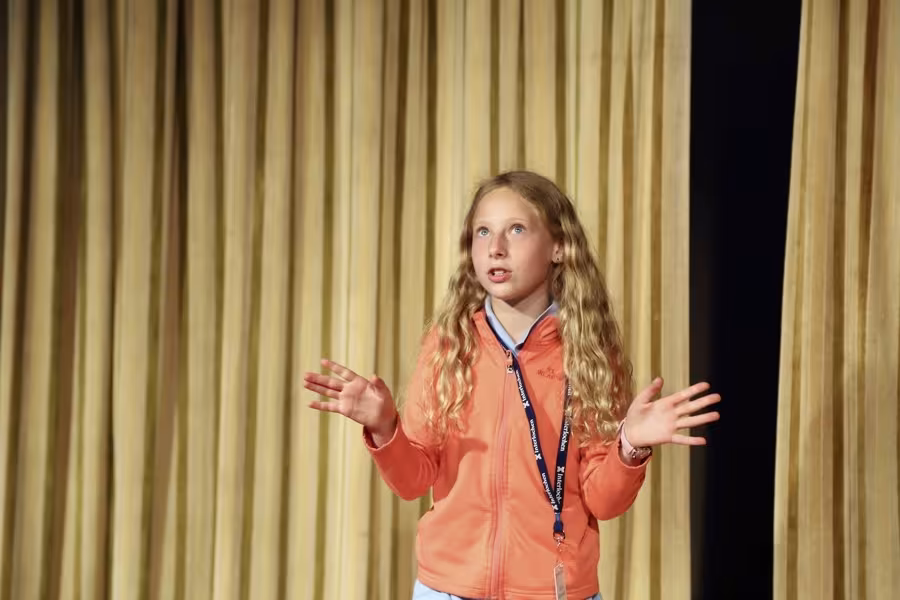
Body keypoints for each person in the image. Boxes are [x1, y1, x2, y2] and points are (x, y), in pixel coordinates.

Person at [304, 170, 721, 599]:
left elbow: (603, 502)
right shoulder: (449, 345)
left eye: (516, 230)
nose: (495, 248)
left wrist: (630, 445)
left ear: (559, 246)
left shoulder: (590, 353)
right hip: (448, 590)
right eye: (483, 232)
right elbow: (414, 480)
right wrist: (385, 427)